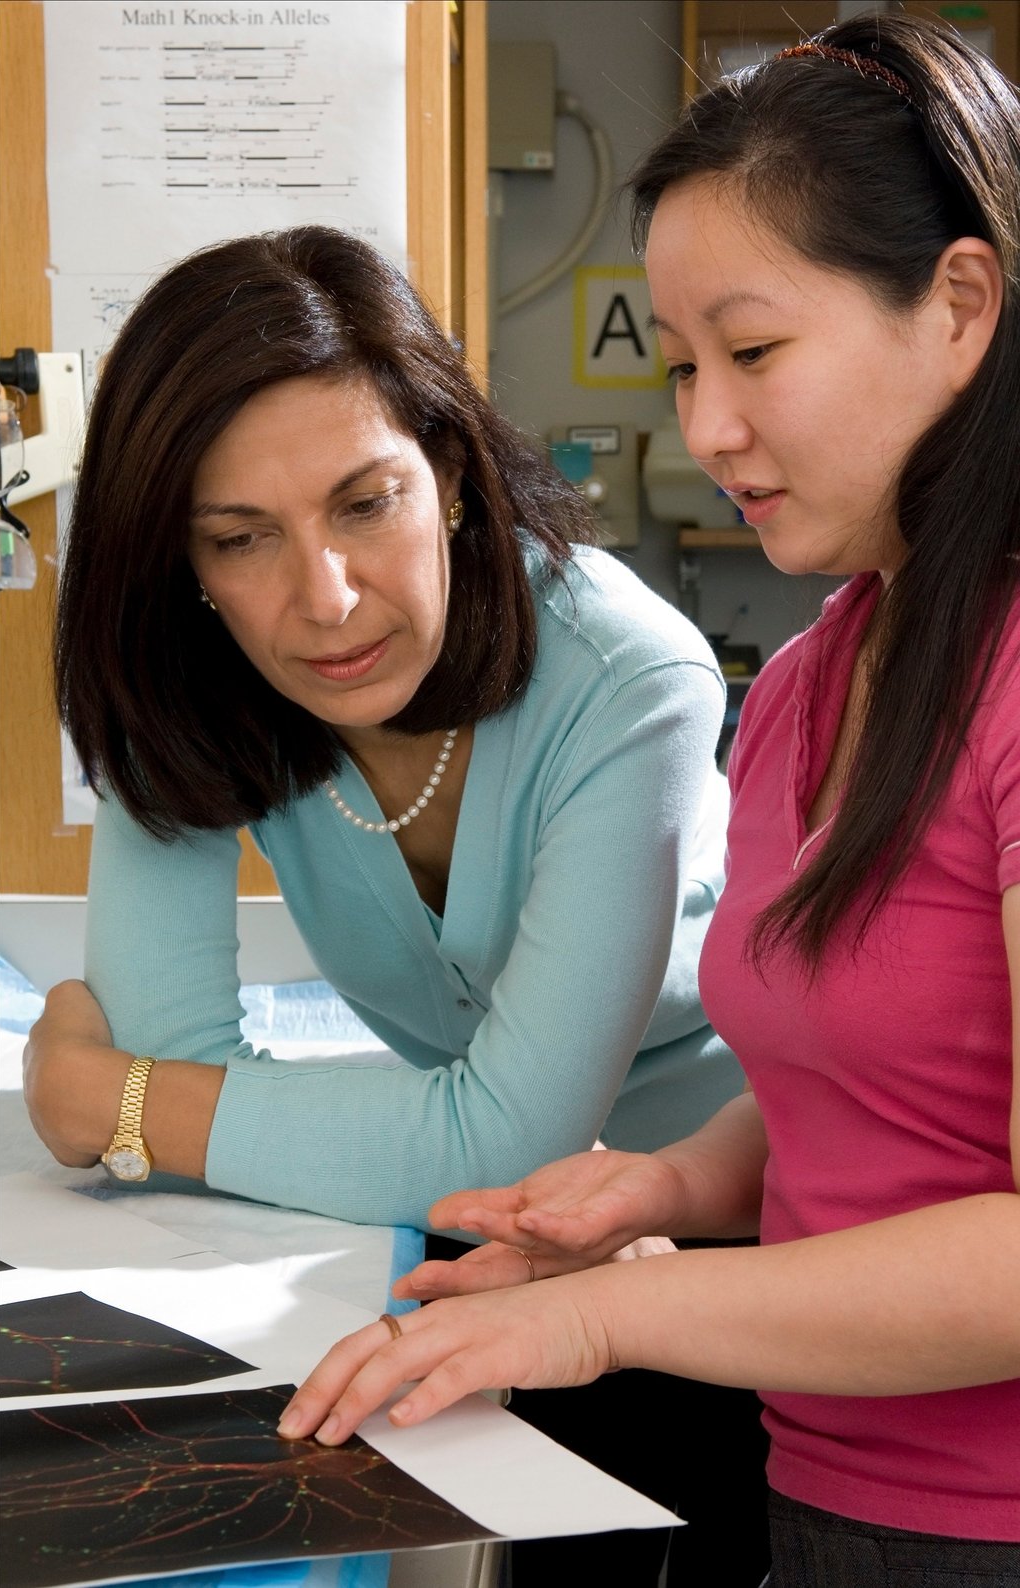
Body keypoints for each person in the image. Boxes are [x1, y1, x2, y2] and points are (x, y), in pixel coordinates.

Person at [276, 13, 1020, 1585]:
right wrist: (664, 1190)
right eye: (683, 367)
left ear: (959, 303)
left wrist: (606, 1314)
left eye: (754, 353)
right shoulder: (826, 672)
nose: (709, 430)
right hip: (823, 1486)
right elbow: (894, 1092)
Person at [21, 226, 769, 1581]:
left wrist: (112, 1106)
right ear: (183, 567)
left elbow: (509, 1128)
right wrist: (167, 1094)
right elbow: (198, 1056)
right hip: (482, 1261)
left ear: (454, 479)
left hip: (742, 1242)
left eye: (367, 503)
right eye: (242, 539)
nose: (327, 599)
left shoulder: (629, 676)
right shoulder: (192, 684)